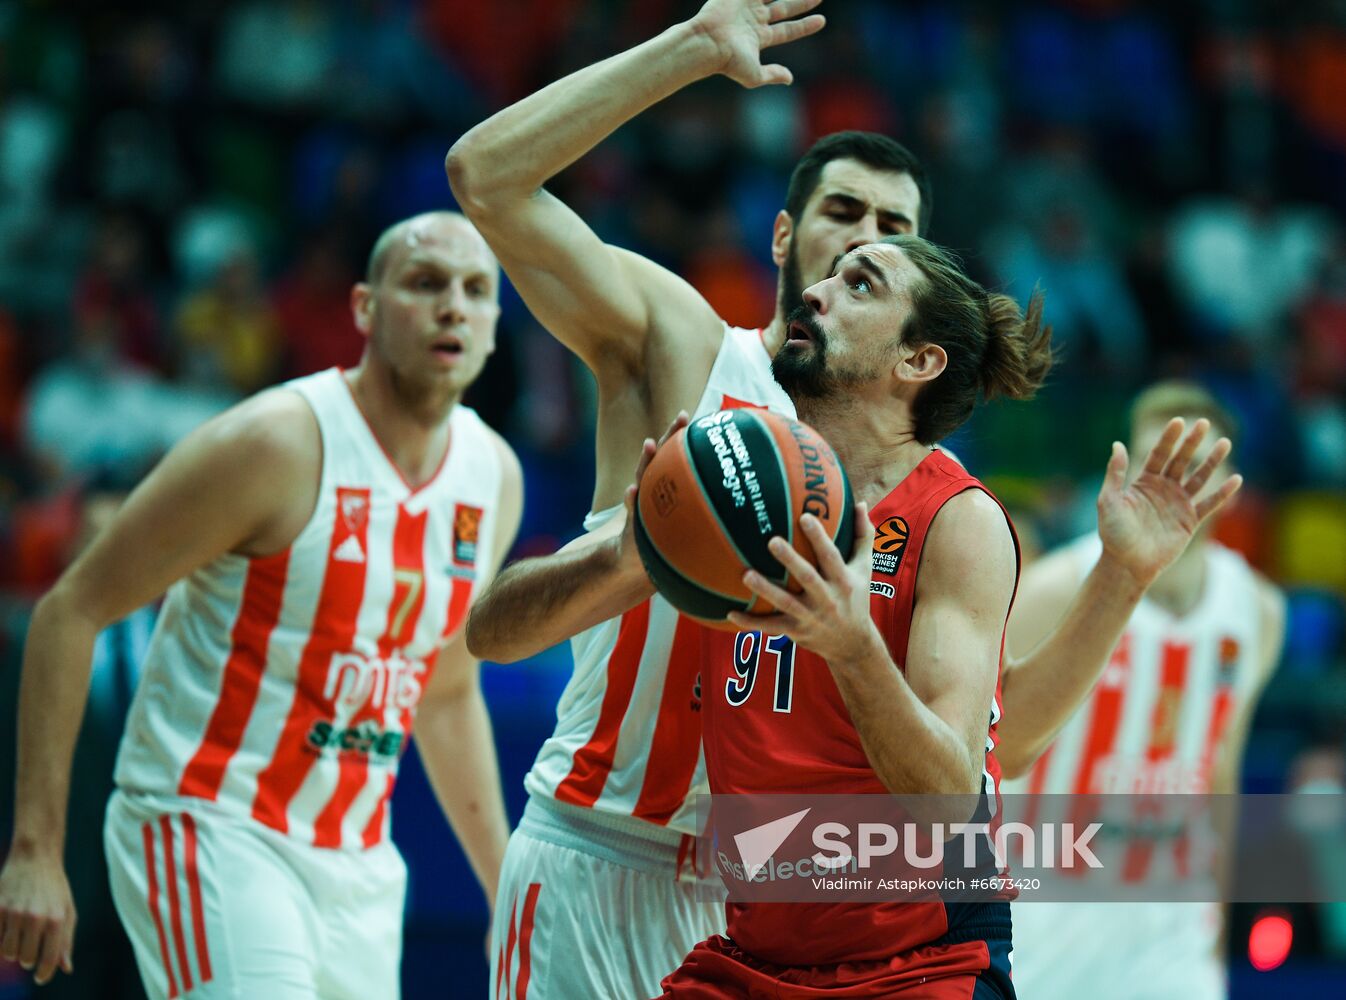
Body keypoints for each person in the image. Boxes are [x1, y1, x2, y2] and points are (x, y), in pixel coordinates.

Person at [449, 1, 1237, 996]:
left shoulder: (931, 501)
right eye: (841, 216)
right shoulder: (692, 356)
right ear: (784, 234)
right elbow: (485, 176)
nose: (854, 244)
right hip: (605, 847)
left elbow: (975, 752)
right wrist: (686, 52)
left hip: (763, 899)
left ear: (919, 330)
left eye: (889, 235)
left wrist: (1117, 578)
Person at [0, 211, 523, 998]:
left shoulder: (493, 476)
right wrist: (35, 850)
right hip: (211, 823)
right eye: (424, 283)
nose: (452, 305)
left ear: (492, 326)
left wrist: (503, 887)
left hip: (358, 862)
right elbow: (67, 611)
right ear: (363, 308)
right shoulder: (275, 443)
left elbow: (445, 695)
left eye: (475, 290)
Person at [1001, 381, 1285, 1000]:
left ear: (1229, 478)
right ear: (1126, 465)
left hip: (1172, 923)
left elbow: (1221, 776)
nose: (1177, 476)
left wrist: (1218, 922)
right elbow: (979, 756)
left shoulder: (1258, 610)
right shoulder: (1054, 589)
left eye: (1196, 456)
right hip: (1047, 907)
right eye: (1162, 455)